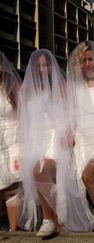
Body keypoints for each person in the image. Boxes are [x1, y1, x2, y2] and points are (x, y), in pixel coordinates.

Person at [18, 49, 94, 237]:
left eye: (46, 65)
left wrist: (70, 132)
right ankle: (53, 220)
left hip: (56, 137)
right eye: (39, 66)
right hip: (38, 140)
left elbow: (74, 112)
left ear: (51, 66)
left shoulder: (63, 86)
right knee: (36, 173)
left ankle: (48, 220)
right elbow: (25, 120)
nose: (43, 69)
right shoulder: (28, 91)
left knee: (41, 171)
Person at [0, 51, 22, 231]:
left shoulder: (13, 87)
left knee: (13, 185)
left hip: (13, 140)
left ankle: (14, 231)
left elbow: (25, 114)